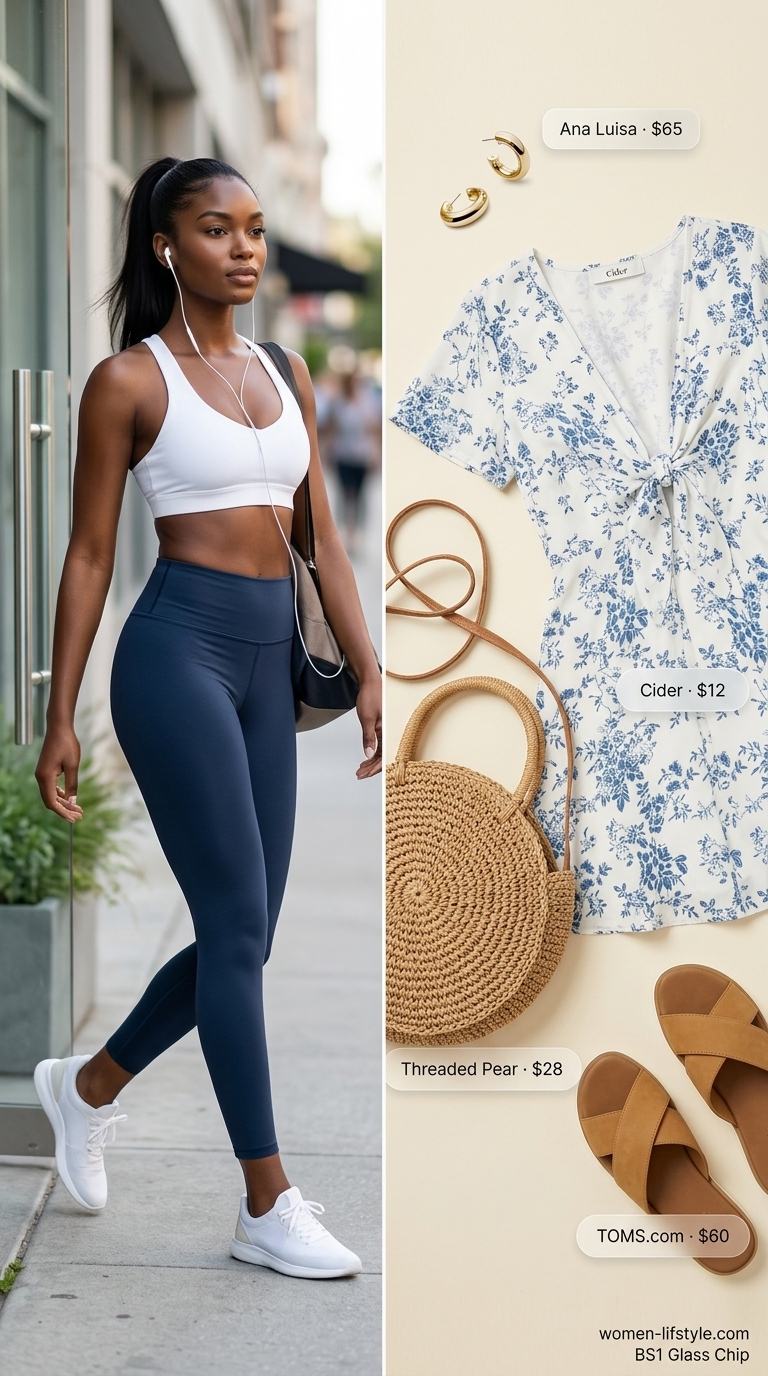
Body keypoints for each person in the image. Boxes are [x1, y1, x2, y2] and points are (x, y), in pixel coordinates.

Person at [32, 156, 381, 1281]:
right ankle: (265, 1199)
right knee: (235, 924)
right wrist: (60, 714)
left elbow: (319, 538)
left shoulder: (283, 368)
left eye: (255, 228)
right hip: (175, 655)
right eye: (216, 228)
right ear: (166, 247)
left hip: (266, 659)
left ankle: (84, 1088)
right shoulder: (127, 383)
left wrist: (370, 669)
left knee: (248, 932)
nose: (244, 246)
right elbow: (89, 556)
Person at [324, 368, 380, 553]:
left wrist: (375, 453)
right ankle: (345, 533)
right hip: (343, 455)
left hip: (362, 457)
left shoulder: (368, 401)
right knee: (345, 494)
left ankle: (357, 533)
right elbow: (331, 428)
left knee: (360, 495)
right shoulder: (338, 403)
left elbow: (374, 429)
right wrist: (327, 452)